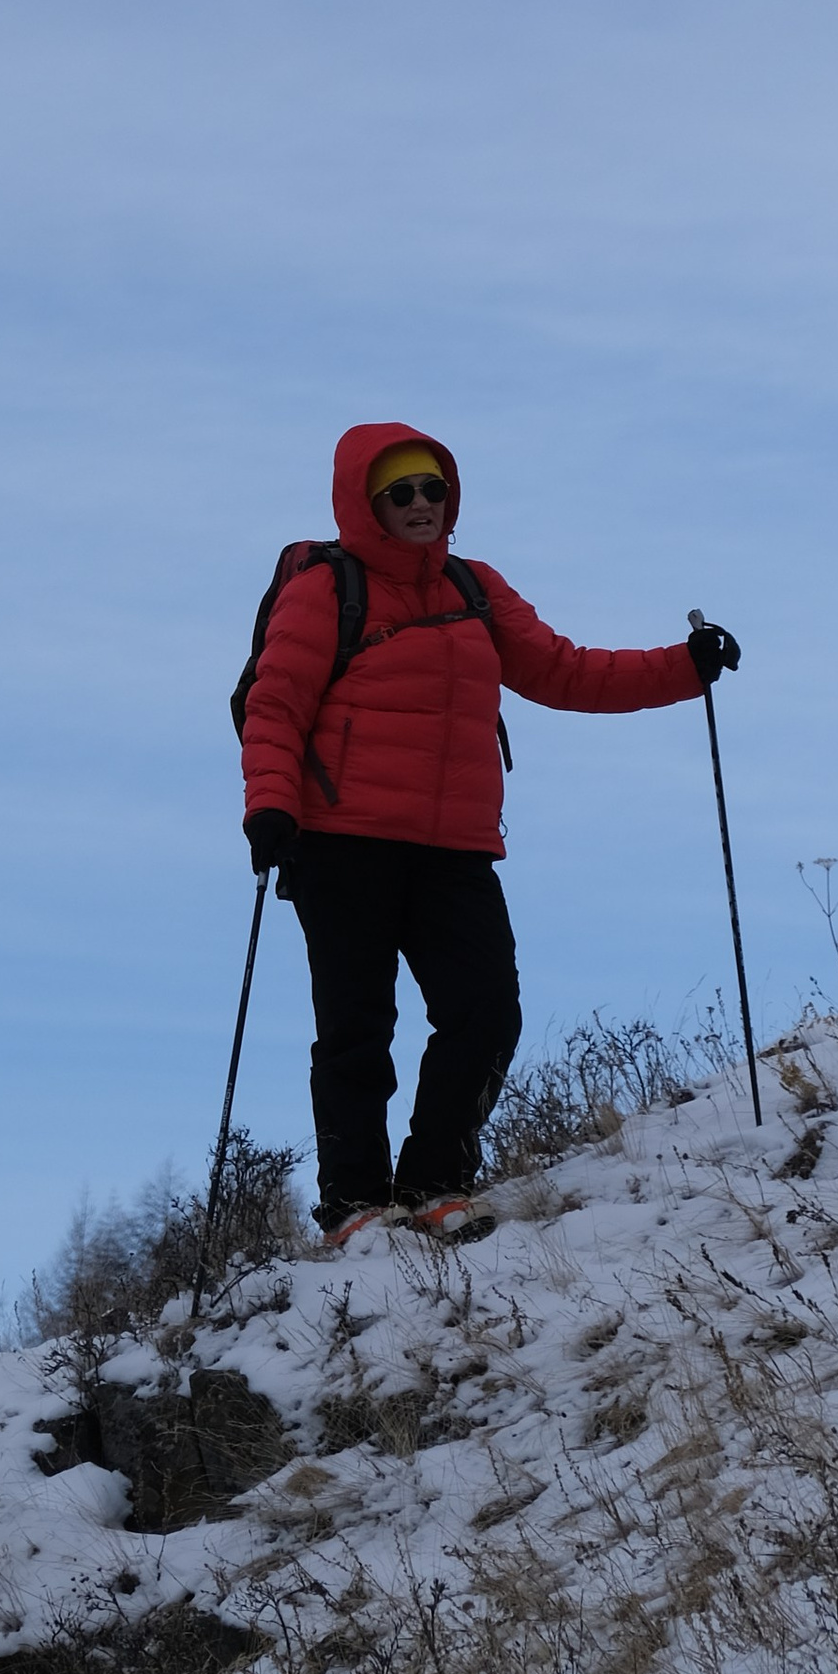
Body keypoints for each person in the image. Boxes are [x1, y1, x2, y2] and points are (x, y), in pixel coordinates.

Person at [240, 421, 739, 1244]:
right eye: (400, 492)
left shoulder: (473, 587)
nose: (421, 505)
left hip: (454, 845)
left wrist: (683, 668)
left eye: (434, 488)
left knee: (486, 1013)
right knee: (357, 1028)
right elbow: (276, 701)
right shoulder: (327, 587)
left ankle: (437, 1181)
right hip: (342, 840)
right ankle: (354, 1204)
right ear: (366, 504)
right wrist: (270, 807)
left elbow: (564, 668)